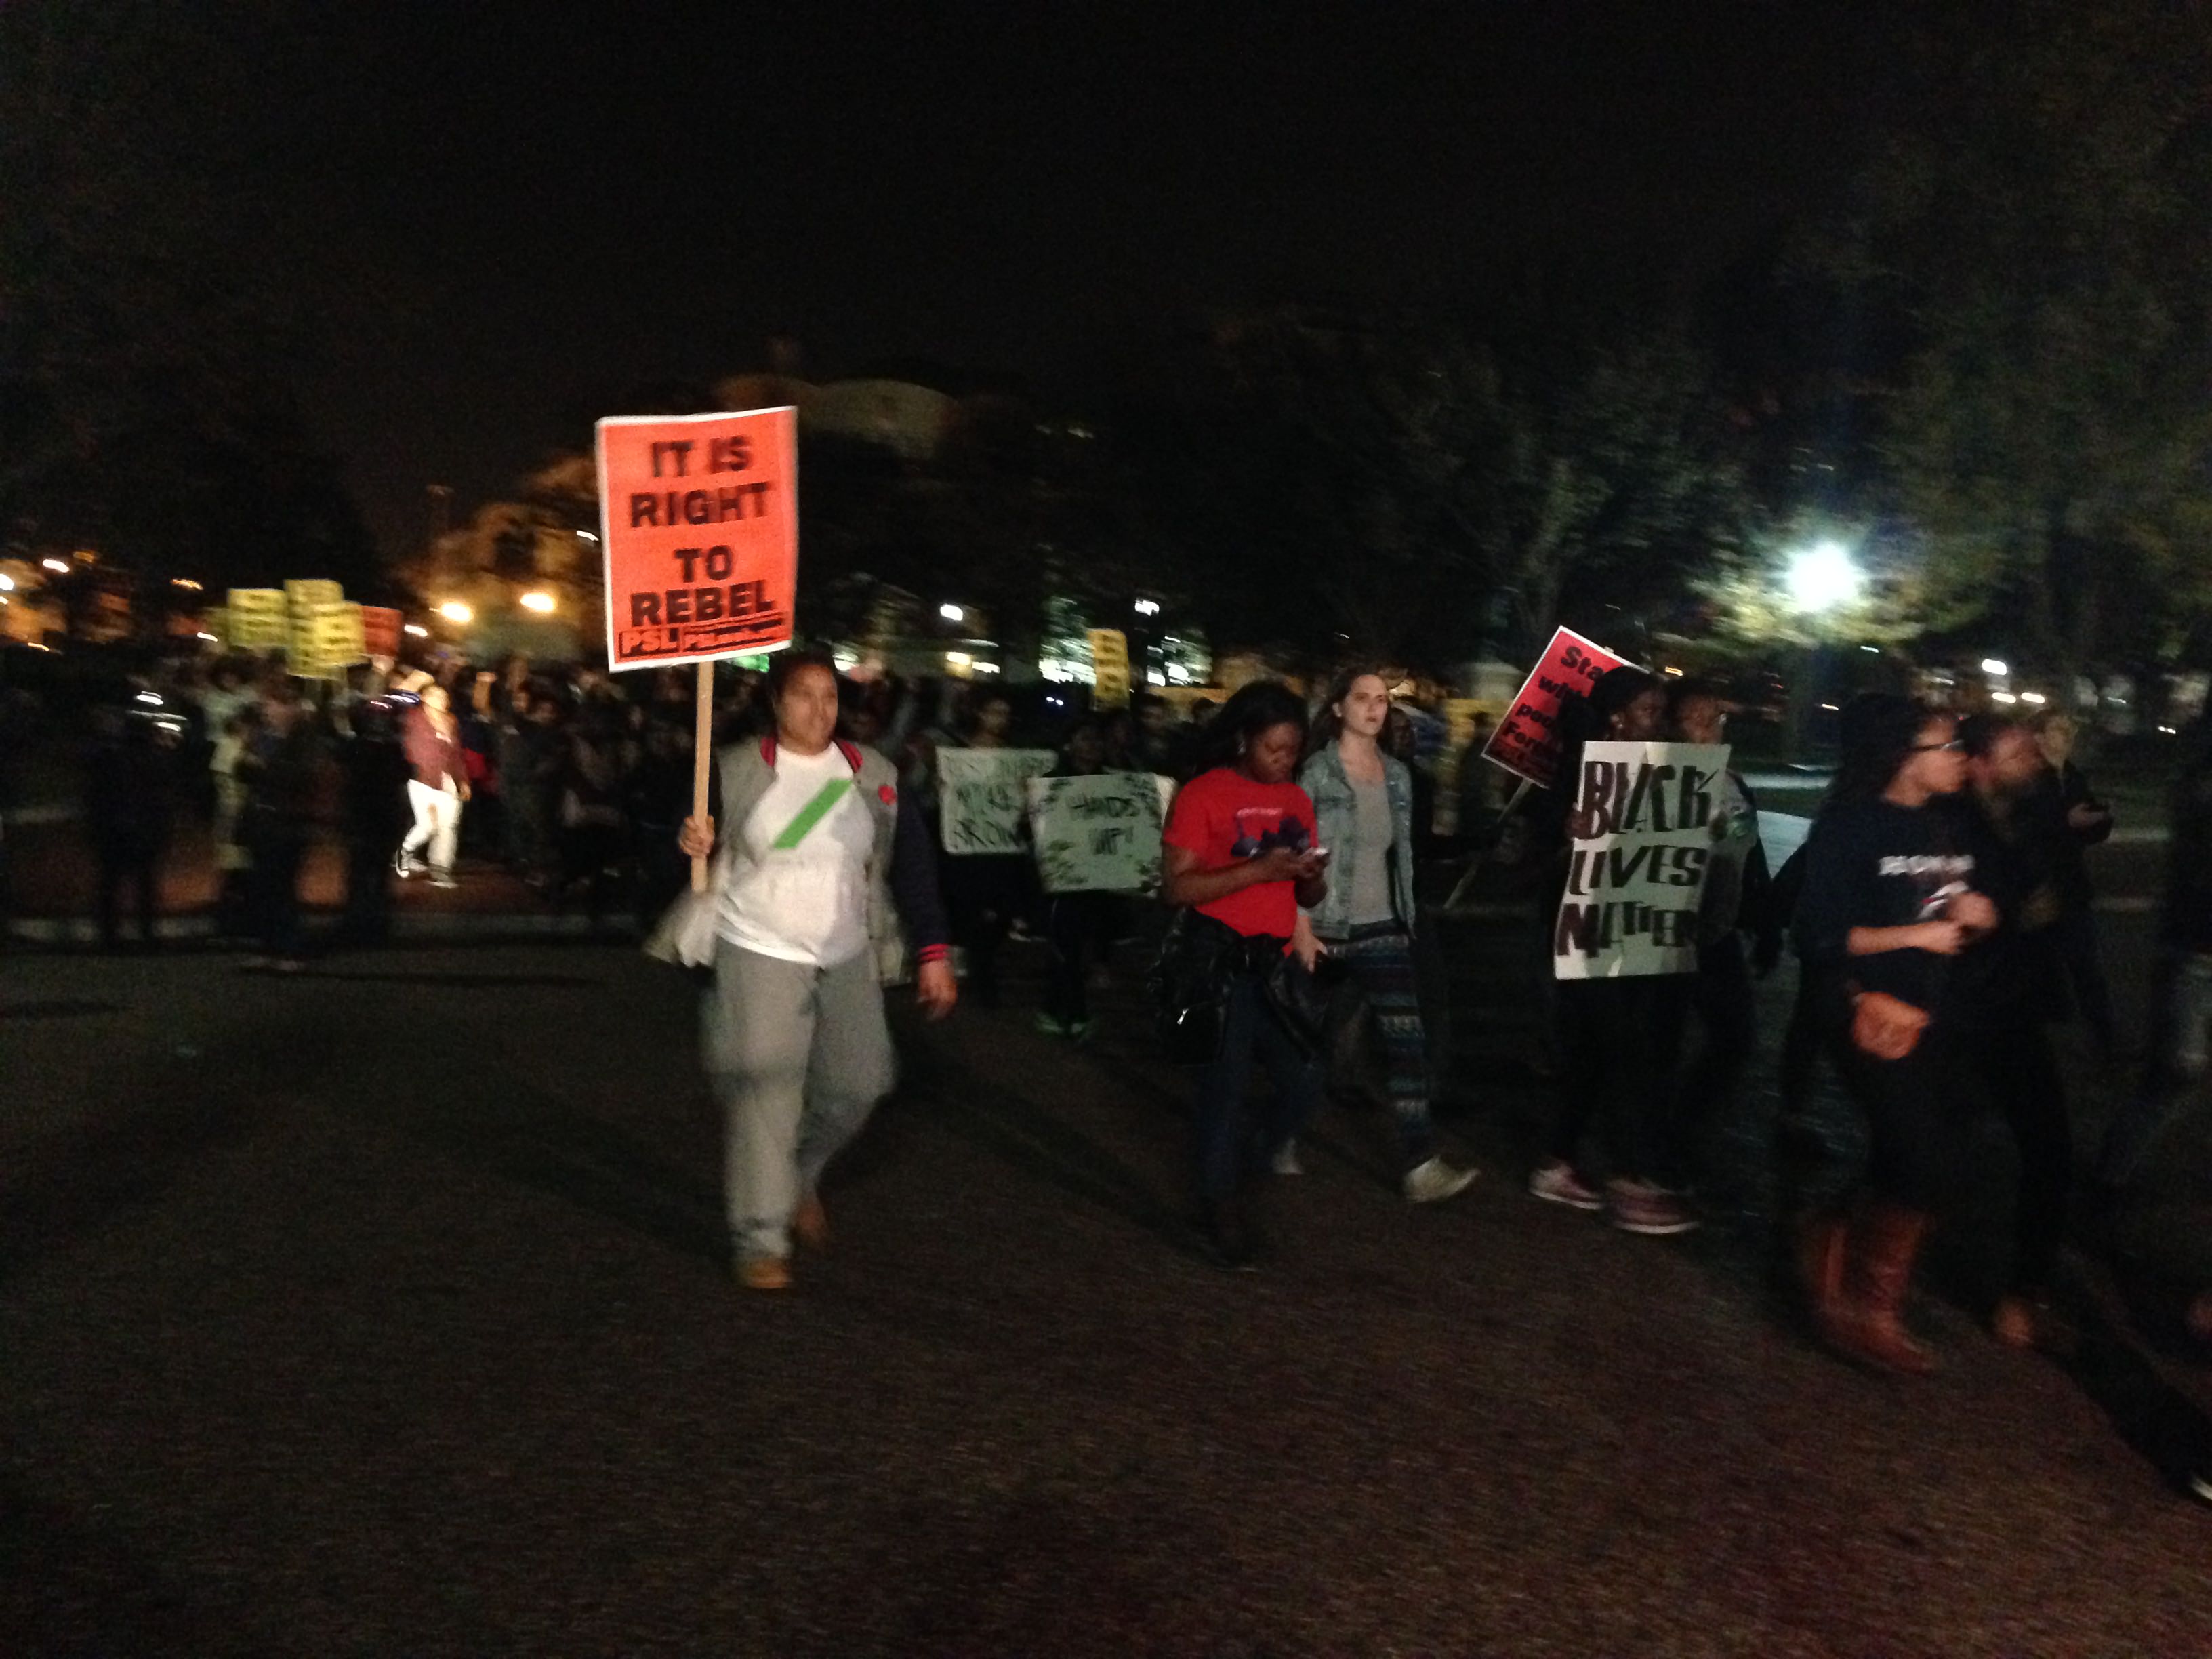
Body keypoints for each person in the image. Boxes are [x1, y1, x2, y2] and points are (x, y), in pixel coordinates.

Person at [676, 649, 957, 1292]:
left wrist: (934, 951)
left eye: (829, 695)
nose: (820, 708)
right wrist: (690, 843)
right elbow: (686, 842)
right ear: (776, 702)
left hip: (846, 951)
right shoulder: (732, 768)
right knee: (765, 1091)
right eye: (803, 695)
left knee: (861, 1081)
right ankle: (760, 1239)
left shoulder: (873, 774)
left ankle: (797, 1173)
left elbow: (911, 864)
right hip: (759, 947)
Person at [1793, 697, 1998, 1373]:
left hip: (1929, 1013)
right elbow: (1820, 935)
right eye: (1945, 746)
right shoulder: (1850, 827)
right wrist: (1917, 935)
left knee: (1938, 1148)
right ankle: (1864, 1310)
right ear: (1902, 758)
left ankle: (1832, 1240)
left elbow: (1941, 912)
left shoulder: (1943, 825)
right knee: (1920, 1158)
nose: (1960, 758)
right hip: (1862, 1007)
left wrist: (1975, 914)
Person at [1160, 681, 1330, 1268]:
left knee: (1307, 1074)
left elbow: (1310, 889)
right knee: (1224, 1088)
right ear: (1242, 739)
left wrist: (1308, 876)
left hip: (1275, 963)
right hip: (1218, 963)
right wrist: (1257, 871)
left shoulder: (1297, 799)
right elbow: (1177, 887)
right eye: (1273, 748)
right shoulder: (1203, 794)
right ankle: (1216, 1207)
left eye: (1292, 751)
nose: (1284, 761)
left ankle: (1243, 1158)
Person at [1290, 668, 1476, 1204]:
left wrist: (1405, 914)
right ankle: (1279, 1134)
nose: (1375, 708)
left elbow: (1402, 853)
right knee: (1302, 1041)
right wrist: (1300, 927)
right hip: (1323, 925)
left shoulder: (1398, 776)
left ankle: (1420, 1163)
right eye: (1363, 698)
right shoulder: (1315, 774)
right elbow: (1296, 855)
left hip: (1383, 927)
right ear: (1339, 709)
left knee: (1406, 1039)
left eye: (1382, 700)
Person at [1525, 665, 1700, 1236]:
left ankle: (1556, 1160)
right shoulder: (1578, 771)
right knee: (1616, 1044)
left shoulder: (1664, 770)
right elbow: (1540, 844)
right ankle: (1629, 1176)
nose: (1658, 721)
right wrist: (1567, 831)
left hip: (1638, 926)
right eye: (1648, 711)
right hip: (1586, 928)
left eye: (1660, 711)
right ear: (1617, 716)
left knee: (1596, 1054)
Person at [1953, 713, 2074, 1349]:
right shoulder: (1950, 826)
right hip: (1957, 1013)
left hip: (2011, 1012)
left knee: (2050, 1148)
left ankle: (2024, 1292)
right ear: (1979, 763)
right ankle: (1841, 1238)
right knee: (1924, 1149)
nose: (2033, 760)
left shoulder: (2026, 816)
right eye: (2018, 752)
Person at [1656, 680, 1774, 1192]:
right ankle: (1653, 1149)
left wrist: (1766, 921)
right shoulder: (1655, 779)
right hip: (1667, 930)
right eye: (1698, 720)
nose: (1711, 730)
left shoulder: (1734, 783)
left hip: (1718, 932)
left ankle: (1681, 1129)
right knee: (1661, 1042)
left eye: (1717, 720)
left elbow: (1752, 855)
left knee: (1736, 1037)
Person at [2030, 709, 2119, 1058]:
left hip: (2071, 888)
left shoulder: (2071, 774)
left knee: (2087, 970)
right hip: (2038, 888)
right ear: (2038, 737)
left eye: (2070, 730)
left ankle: (2105, 1042)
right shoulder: (2031, 777)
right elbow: (2028, 827)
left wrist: (2099, 820)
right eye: (2059, 729)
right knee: (2037, 972)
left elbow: (2087, 828)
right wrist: (2067, 821)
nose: (2068, 736)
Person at [1035, 720, 1128, 1040]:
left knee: (1081, 946)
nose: (1091, 747)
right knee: (1068, 947)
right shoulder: (1050, 783)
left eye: (1096, 741)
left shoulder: (1113, 785)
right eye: (1084, 739)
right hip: (1064, 879)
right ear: (1070, 743)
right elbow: (1034, 832)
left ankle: (1052, 1009)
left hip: (1099, 880)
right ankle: (1075, 1014)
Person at [83, 705, 177, 951]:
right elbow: (163, 796)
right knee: (145, 881)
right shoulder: (157, 758)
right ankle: (146, 933)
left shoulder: (108, 758)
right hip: (145, 827)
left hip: (113, 827)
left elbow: (96, 795)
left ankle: (109, 935)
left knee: (111, 882)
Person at [397, 684, 468, 889]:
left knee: (448, 827)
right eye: (437, 695)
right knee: (428, 825)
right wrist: (415, 683)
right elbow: (399, 700)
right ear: (425, 698)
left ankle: (440, 871)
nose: (443, 700)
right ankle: (405, 851)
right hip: (422, 780)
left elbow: (456, 754)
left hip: (447, 782)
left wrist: (463, 780)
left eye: (445, 696)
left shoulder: (451, 721)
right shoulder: (414, 717)